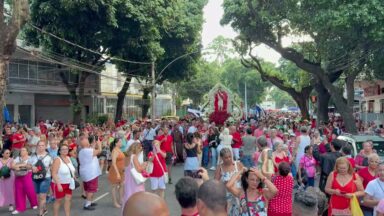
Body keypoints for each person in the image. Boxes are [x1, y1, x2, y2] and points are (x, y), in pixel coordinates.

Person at [214, 148, 243, 215]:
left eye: (230, 156)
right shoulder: (220, 167)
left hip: (238, 194)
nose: (229, 159)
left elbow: (246, 177)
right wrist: (222, 184)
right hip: (227, 197)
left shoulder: (238, 164)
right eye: (226, 157)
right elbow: (215, 183)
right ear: (221, 158)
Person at [11, 147, 38, 215]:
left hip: (27, 175)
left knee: (30, 190)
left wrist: (18, 166)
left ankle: (34, 203)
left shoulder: (30, 158)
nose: (22, 151)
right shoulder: (17, 158)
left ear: (27, 152)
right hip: (18, 176)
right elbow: (12, 166)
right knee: (18, 192)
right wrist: (23, 165)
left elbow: (30, 166)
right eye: (21, 150)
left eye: (24, 150)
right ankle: (19, 208)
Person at [51, 144, 76, 216]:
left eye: (66, 149)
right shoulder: (57, 159)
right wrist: (58, 184)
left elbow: (71, 169)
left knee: (68, 199)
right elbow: (54, 173)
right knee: (58, 200)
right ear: (60, 151)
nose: (65, 150)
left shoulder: (68, 158)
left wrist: (73, 177)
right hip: (59, 183)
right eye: (63, 149)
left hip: (69, 183)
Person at [30, 140, 53, 216]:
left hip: (46, 178)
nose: (41, 147)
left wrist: (48, 168)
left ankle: (40, 213)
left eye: (43, 145)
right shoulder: (33, 156)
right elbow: (27, 165)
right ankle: (44, 209)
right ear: (37, 146)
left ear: (45, 146)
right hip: (35, 177)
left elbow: (53, 166)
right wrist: (32, 167)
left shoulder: (49, 156)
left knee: (42, 196)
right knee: (38, 196)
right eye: (39, 145)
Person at [78, 136, 102, 210]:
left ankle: (89, 202)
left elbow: (92, 149)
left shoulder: (82, 151)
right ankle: (87, 204)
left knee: (88, 188)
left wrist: (94, 144)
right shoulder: (88, 151)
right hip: (91, 173)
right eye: (87, 141)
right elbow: (99, 151)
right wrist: (99, 144)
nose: (89, 142)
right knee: (91, 189)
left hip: (86, 173)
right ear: (86, 143)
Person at [122, 142, 148, 209]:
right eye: (140, 149)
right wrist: (144, 165)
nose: (140, 151)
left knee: (128, 197)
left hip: (128, 180)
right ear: (136, 149)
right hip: (134, 181)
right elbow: (139, 170)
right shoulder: (134, 157)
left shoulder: (126, 157)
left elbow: (124, 168)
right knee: (137, 198)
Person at [108, 138, 125, 208]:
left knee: (121, 185)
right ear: (116, 143)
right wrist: (117, 173)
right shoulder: (114, 151)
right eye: (120, 142)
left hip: (121, 171)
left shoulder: (119, 149)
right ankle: (115, 202)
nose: (121, 143)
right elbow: (114, 163)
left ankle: (121, 199)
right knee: (114, 186)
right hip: (115, 171)